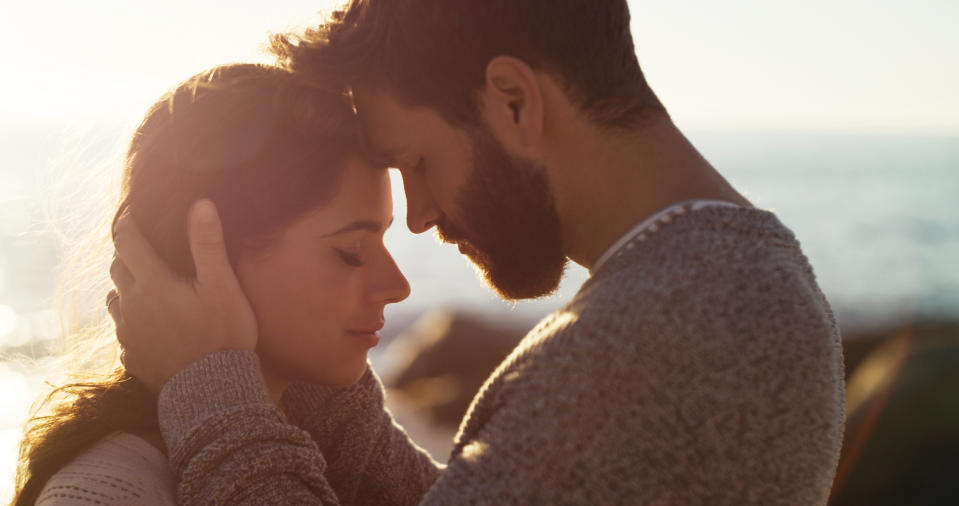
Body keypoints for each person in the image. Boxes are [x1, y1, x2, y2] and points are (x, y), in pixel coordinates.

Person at [111, 0, 846, 504]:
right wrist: (298, 373)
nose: (421, 215)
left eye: (418, 163)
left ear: (513, 100)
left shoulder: (664, 336)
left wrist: (211, 390)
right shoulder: (734, 284)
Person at [12, 63, 421, 505]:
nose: (398, 285)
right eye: (351, 252)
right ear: (207, 255)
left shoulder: (335, 433)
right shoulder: (103, 494)